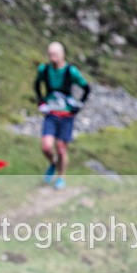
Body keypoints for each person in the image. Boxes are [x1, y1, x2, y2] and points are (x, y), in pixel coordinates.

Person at [34, 41, 91, 190]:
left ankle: (61, 177)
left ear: (62, 55)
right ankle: (53, 163)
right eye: (50, 55)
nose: (52, 58)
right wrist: (41, 102)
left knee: (61, 147)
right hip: (51, 114)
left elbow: (86, 87)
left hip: (66, 116)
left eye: (55, 55)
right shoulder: (44, 70)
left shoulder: (71, 71)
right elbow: (36, 85)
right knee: (46, 147)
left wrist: (79, 105)